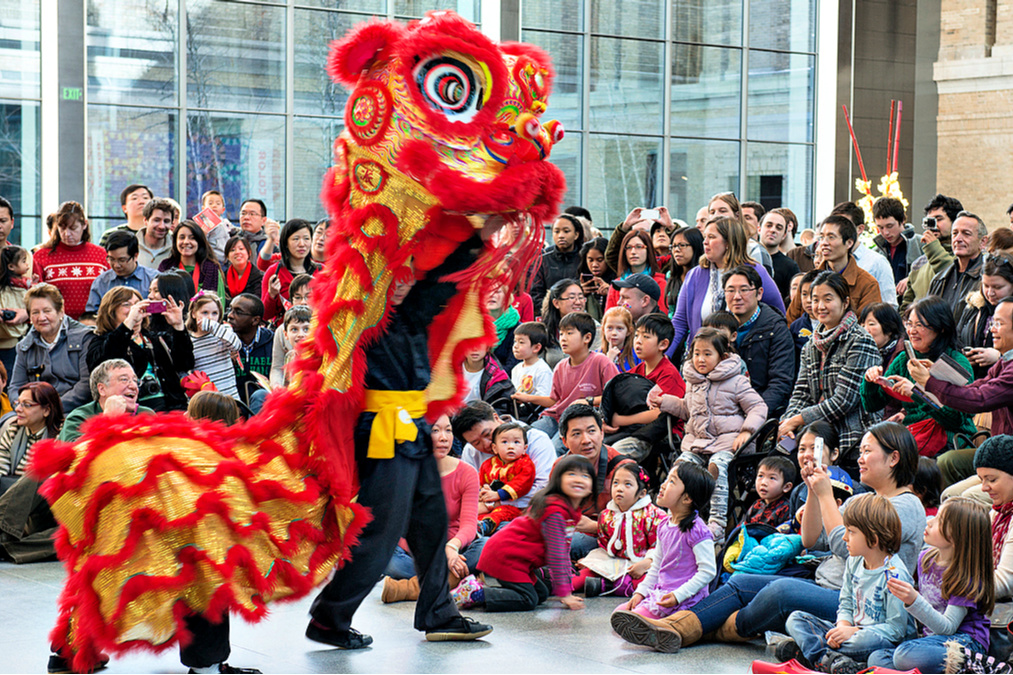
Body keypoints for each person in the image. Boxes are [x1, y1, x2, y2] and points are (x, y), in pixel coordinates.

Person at [305, 272, 492, 650]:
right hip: (383, 433)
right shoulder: (364, 315)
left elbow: (438, 288)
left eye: (410, 272)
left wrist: (475, 237)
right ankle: (329, 618)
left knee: (430, 522)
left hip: (412, 429)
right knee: (382, 532)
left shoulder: (407, 311)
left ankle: (440, 614)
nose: (404, 281)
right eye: (395, 273)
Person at [641, 422, 924, 656]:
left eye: (867, 451)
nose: (860, 458)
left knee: (781, 593)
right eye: (860, 451)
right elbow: (812, 539)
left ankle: (693, 629)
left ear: (893, 458)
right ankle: (677, 627)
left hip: (859, 606)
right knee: (742, 581)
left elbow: (847, 549)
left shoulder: (906, 506)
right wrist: (814, 489)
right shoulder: (864, 499)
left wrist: (827, 495)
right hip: (824, 584)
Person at [779, 494, 914, 672]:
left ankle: (814, 654)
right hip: (850, 632)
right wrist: (843, 626)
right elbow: (846, 603)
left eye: (850, 531)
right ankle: (830, 659)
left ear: (873, 539)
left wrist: (854, 632)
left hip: (876, 639)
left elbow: (896, 630)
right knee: (796, 619)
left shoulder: (895, 575)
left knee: (864, 642)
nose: (844, 538)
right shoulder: (854, 560)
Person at [654, 327, 767, 537]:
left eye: (707, 354)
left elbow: (758, 407)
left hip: (728, 442)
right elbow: (688, 410)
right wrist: (665, 402)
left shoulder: (736, 381)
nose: (701, 359)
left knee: (718, 465)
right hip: (699, 442)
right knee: (679, 467)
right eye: (697, 353)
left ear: (722, 357)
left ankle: (717, 523)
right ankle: (674, 516)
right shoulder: (693, 381)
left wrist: (746, 431)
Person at [451, 454, 593, 612]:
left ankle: (483, 593)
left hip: (518, 559)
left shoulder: (571, 510)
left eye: (585, 476)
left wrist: (566, 588)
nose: (579, 479)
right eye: (571, 474)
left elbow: (564, 550)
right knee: (528, 599)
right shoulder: (555, 511)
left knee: (541, 594)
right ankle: (475, 592)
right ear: (558, 480)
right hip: (505, 556)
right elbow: (557, 553)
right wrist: (565, 594)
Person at [867, 498, 994, 672]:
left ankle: (974, 666)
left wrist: (913, 600)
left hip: (964, 641)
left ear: (958, 536)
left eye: (940, 520)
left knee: (903, 655)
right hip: (932, 640)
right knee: (877, 658)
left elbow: (948, 627)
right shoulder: (925, 558)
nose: (930, 520)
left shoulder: (966, 576)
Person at [907, 297, 1013, 488]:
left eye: (999, 323)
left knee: (951, 476)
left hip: (1006, 458)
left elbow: (978, 400)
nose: (991, 329)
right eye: (992, 323)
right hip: (999, 452)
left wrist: (927, 383)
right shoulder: (1005, 361)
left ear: (939, 328)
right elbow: (975, 388)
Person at [609, 462, 716, 651]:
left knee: (634, 621)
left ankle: (666, 630)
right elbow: (657, 566)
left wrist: (678, 595)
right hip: (663, 594)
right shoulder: (664, 525)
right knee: (621, 614)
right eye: (667, 479)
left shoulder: (698, 531)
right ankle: (660, 630)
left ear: (687, 498)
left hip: (685, 598)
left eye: (672, 482)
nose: (664, 484)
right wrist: (640, 593)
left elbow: (708, 571)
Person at [780, 271, 881, 465]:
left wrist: (797, 420)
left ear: (844, 302)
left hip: (851, 437)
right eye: (815, 299)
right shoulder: (812, 344)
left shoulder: (861, 341)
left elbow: (843, 401)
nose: (820, 306)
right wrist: (788, 422)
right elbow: (801, 392)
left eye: (828, 299)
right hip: (815, 434)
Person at [380, 414, 483, 602]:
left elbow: (469, 524)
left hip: (456, 547)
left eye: (448, 430)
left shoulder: (467, 472)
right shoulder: (403, 473)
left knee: (484, 547)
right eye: (435, 430)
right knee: (391, 561)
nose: (444, 437)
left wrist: (451, 547)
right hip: (416, 552)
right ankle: (455, 579)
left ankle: (409, 588)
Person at [861, 296, 976, 456]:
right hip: (915, 435)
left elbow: (954, 419)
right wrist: (871, 380)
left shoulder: (956, 363)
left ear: (940, 328)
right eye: (909, 324)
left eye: (919, 325)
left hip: (949, 440)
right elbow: (873, 405)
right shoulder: (904, 359)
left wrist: (918, 394)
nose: (912, 331)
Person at [667, 217, 784, 358]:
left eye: (711, 237)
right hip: (701, 362)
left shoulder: (755, 271)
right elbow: (680, 322)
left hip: (745, 361)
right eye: (705, 237)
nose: (705, 242)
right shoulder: (695, 275)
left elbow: (778, 315)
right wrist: (665, 355)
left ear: (728, 242)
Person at [86, 285, 193, 412]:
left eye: (137, 304)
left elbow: (185, 364)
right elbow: (102, 366)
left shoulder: (156, 338)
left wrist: (178, 326)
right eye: (127, 304)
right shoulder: (100, 341)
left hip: (172, 408)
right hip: (131, 411)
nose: (135, 309)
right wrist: (128, 324)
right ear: (111, 311)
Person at [572, 462, 664, 597]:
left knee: (648, 584)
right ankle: (552, 581)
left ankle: (603, 585)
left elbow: (659, 545)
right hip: (614, 561)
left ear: (642, 493)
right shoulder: (606, 514)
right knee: (582, 575)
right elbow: (604, 543)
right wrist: (592, 561)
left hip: (641, 564)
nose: (619, 488)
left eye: (627, 484)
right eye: (615, 483)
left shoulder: (654, 516)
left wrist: (647, 563)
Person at [528, 312, 619, 448]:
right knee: (528, 438)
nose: (563, 338)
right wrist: (525, 397)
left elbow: (615, 395)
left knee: (554, 448)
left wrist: (589, 401)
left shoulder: (601, 361)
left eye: (569, 333)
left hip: (582, 420)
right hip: (556, 416)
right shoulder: (560, 366)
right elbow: (554, 400)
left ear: (587, 338)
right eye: (562, 333)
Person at [453, 401, 555, 517]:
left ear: (496, 417)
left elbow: (545, 487)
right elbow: (469, 492)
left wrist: (496, 502)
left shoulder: (536, 439)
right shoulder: (471, 452)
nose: (487, 444)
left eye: (488, 434)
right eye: (477, 443)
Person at [0, 382, 64, 564]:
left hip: (45, 512)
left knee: (42, 470)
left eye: (26, 405)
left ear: (46, 410)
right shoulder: (13, 430)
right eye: (17, 403)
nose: (18, 409)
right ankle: (6, 546)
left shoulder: (61, 435)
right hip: (12, 509)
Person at [722, 263, 795, 419]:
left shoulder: (776, 328)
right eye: (730, 290)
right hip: (722, 410)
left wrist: (755, 414)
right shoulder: (717, 326)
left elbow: (780, 383)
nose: (737, 296)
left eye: (744, 290)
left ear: (759, 293)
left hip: (760, 409)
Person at [607, 313, 685, 459]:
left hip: (663, 432)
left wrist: (620, 420)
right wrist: (590, 401)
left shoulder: (668, 374)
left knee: (615, 454)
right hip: (636, 428)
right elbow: (616, 389)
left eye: (646, 337)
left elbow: (658, 414)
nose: (638, 341)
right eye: (636, 335)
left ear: (663, 344)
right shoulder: (639, 369)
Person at [10, 284, 94, 414]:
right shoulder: (24, 346)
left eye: (47, 311)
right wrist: (22, 406)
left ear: (61, 311)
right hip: (32, 411)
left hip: (73, 411)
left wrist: (50, 409)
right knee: (7, 424)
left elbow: (85, 385)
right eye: (35, 312)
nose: (41, 317)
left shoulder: (84, 338)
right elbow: (15, 387)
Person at [786, 215, 882, 323]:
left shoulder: (867, 284)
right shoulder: (809, 279)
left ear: (849, 243)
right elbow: (791, 321)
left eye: (831, 237)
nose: (824, 243)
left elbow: (867, 326)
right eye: (821, 237)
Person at [32, 201, 109, 320]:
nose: (67, 234)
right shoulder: (41, 256)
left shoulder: (100, 254)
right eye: (62, 228)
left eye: (73, 228)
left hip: (93, 325)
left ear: (84, 225)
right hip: (55, 326)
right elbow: (35, 297)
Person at [57, 358, 153, 443]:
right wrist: (108, 418)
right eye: (124, 379)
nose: (133, 386)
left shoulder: (146, 414)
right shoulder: (79, 418)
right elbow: (75, 455)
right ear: (102, 389)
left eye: (135, 381)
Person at [831, 200, 899, 308]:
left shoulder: (876, 262)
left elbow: (890, 306)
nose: (839, 231)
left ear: (860, 229)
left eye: (844, 226)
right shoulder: (826, 261)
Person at [901, 193, 963, 309]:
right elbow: (907, 304)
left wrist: (933, 247)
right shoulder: (919, 264)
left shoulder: (963, 257)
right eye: (930, 221)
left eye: (938, 219)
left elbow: (953, 277)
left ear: (955, 222)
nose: (933, 226)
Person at [476, 422, 536, 536]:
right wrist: (482, 492)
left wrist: (498, 495)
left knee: (500, 513)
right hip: (488, 503)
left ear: (525, 448)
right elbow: (480, 482)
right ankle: (475, 528)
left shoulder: (525, 464)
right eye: (504, 442)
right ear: (495, 448)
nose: (511, 446)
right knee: (477, 513)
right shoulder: (487, 464)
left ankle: (486, 526)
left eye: (516, 442)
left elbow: (521, 484)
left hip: (513, 506)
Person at [959, 254, 1013, 379]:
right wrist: (965, 355)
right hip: (973, 378)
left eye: (998, 287)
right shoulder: (973, 307)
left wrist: (1000, 357)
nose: (990, 293)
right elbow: (958, 336)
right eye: (986, 286)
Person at [257, 219, 320, 323]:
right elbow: (265, 315)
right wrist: (271, 294)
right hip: (285, 334)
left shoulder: (321, 271)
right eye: (296, 239)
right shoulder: (274, 272)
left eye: (306, 238)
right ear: (286, 243)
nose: (302, 244)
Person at [928, 210, 986, 320]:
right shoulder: (939, 279)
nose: (958, 239)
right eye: (955, 233)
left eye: (966, 234)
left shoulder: (987, 279)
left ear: (983, 242)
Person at [85, 230, 158, 315]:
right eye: (111, 259)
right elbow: (91, 316)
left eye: (122, 260)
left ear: (135, 256)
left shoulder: (153, 279)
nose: (116, 265)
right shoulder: (101, 282)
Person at [187, 292, 242, 399]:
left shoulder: (223, 331)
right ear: (194, 314)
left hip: (229, 398)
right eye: (205, 312)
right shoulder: (189, 341)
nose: (210, 318)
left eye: (214, 313)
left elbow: (236, 345)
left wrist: (213, 327)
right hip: (206, 401)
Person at [225, 293, 273, 408]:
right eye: (230, 309)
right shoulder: (222, 342)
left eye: (238, 312)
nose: (230, 315)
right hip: (230, 408)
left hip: (263, 408)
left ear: (255, 320)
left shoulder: (273, 342)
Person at [707, 192, 773, 274]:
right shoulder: (708, 246)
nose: (716, 216)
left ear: (737, 216)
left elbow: (760, 283)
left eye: (723, 211)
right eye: (712, 212)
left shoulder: (753, 249)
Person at [530, 213, 585, 312]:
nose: (561, 236)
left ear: (576, 235)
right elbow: (536, 294)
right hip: (549, 315)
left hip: (579, 313)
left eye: (566, 231)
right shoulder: (543, 260)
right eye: (556, 231)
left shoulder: (584, 259)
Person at [604, 230, 667, 313]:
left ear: (649, 250)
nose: (633, 252)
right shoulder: (616, 285)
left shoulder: (660, 283)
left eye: (639, 247)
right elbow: (609, 319)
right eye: (629, 247)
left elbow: (661, 317)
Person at [159, 220, 224, 297]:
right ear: (175, 241)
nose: (186, 241)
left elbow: (219, 305)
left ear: (199, 242)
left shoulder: (212, 270)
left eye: (192, 238)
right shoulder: (165, 267)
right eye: (182, 237)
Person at [872, 197, 922, 289]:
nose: (885, 232)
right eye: (880, 227)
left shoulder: (922, 244)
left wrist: (912, 279)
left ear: (902, 220)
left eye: (889, 226)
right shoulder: (875, 253)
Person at [758, 208, 802, 302]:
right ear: (759, 229)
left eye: (779, 228)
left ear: (784, 235)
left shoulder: (790, 266)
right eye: (769, 225)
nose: (773, 230)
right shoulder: (746, 257)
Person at [0, 246, 30, 377]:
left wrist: (26, 313)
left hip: (15, 343)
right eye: (24, 261)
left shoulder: (24, 288)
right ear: (11, 266)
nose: (28, 265)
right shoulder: (22, 288)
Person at [509, 322, 553, 412]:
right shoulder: (516, 369)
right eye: (515, 341)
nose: (515, 346)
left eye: (521, 342)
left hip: (537, 415)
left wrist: (527, 398)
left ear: (536, 348)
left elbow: (545, 398)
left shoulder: (542, 369)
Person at [460, 347, 515, 417]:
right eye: (470, 344)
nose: (474, 348)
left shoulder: (498, 375)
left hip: (483, 421)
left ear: (487, 347)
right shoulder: (449, 369)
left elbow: (503, 408)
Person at [744, 456, 795, 528]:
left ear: (786, 487)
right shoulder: (756, 505)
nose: (763, 482)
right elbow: (741, 529)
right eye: (760, 476)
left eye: (772, 478)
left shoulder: (786, 509)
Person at [664, 226, 704, 315]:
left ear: (696, 246)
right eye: (673, 246)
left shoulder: (705, 275)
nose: (676, 250)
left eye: (682, 245)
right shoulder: (670, 275)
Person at [269, 305, 311, 388]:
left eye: (306, 329)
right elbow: (277, 368)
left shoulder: (322, 357)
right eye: (294, 329)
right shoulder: (289, 356)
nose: (301, 335)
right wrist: (277, 386)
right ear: (285, 334)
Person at [577, 237, 613, 322]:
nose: (594, 265)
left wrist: (611, 293)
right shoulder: (579, 281)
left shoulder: (618, 281)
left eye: (600, 260)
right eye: (590, 260)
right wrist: (579, 294)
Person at [487, 284, 520, 373]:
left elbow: (513, 367)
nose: (491, 295)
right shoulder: (471, 326)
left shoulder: (518, 330)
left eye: (497, 291)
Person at [136, 197, 175, 268]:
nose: (162, 226)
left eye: (166, 221)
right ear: (145, 220)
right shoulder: (131, 246)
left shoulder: (176, 249)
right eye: (156, 220)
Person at [222, 236, 263, 301]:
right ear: (227, 256)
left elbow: (257, 300)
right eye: (232, 250)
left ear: (249, 253)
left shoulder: (258, 277)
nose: (237, 252)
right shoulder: (222, 277)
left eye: (241, 249)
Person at [599, 306, 636, 372]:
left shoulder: (636, 355)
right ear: (603, 329)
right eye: (610, 328)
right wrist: (608, 360)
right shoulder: (597, 356)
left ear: (628, 331)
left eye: (619, 328)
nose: (614, 333)